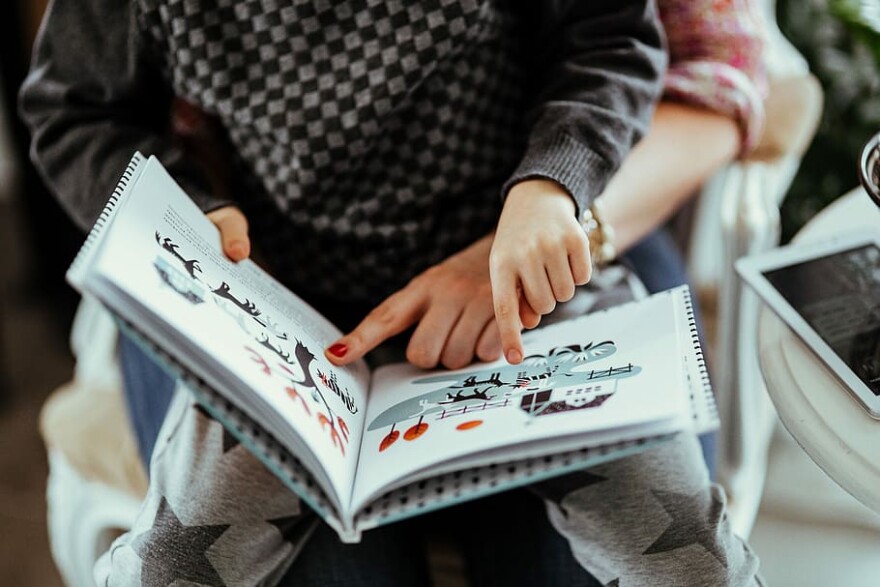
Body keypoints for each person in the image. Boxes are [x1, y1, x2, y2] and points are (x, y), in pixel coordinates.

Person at [20, 0, 766, 584]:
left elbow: (612, 40)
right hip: (279, 314)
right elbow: (76, 113)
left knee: (685, 552)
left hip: (519, 289)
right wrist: (191, 216)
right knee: (185, 555)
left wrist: (553, 186)